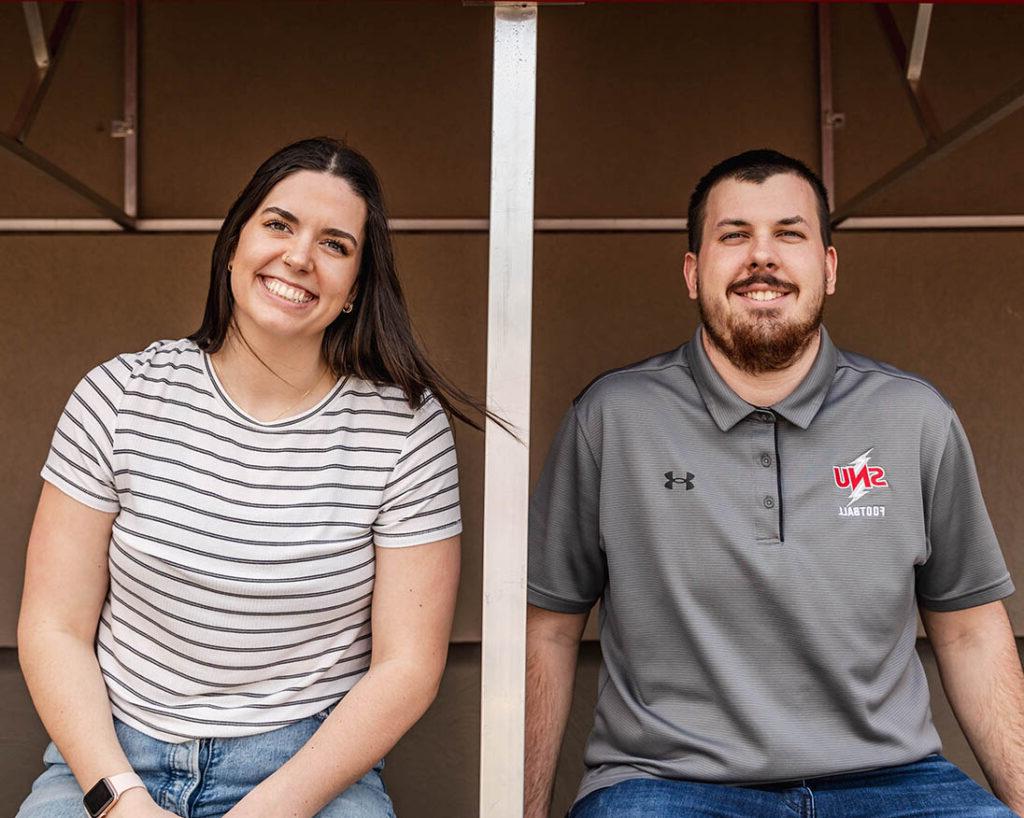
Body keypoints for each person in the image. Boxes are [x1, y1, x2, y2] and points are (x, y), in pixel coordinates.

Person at [525, 149, 1024, 818]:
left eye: (789, 235)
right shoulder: (611, 419)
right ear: (692, 272)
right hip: (666, 785)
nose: (762, 257)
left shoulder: (915, 418)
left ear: (829, 266)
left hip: (896, 782)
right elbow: (547, 632)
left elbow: (968, 630)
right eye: (734, 236)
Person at [17, 137, 485, 817]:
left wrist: (276, 807)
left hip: (306, 771)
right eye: (278, 224)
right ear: (233, 244)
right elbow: (52, 626)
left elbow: (406, 667)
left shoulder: (405, 430)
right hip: (112, 754)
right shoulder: (119, 395)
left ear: (357, 287)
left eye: (336, 244)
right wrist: (120, 801)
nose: (298, 256)